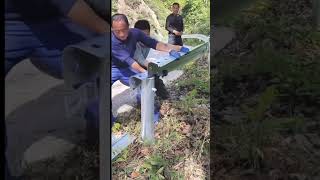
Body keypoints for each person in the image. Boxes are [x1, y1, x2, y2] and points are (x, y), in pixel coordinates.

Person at [5, 0, 110, 179]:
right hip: (9, 23)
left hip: (54, 21)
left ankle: (98, 135)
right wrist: (108, 31)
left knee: (97, 63)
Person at [133, 19, 174, 100]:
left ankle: (165, 99)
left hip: (144, 63)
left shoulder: (150, 40)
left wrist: (164, 67)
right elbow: (140, 60)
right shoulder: (133, 43)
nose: (144, 39)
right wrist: (156, 69)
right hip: (132, 65)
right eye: (141, 36)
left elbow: (162, 48)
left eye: (146, 35)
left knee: (156, 80)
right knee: (141, 85)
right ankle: (142, 103)